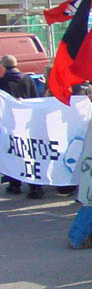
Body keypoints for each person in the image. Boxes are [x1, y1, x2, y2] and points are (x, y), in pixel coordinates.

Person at [1, 54, 44, 198]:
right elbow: (36, 99)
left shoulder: (2, 82)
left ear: (4, 66)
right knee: (29, 153)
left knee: (12, 152)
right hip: (27, 122)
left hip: (10, 123)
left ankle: (15, 184)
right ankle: (35, 187)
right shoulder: (28, 80)